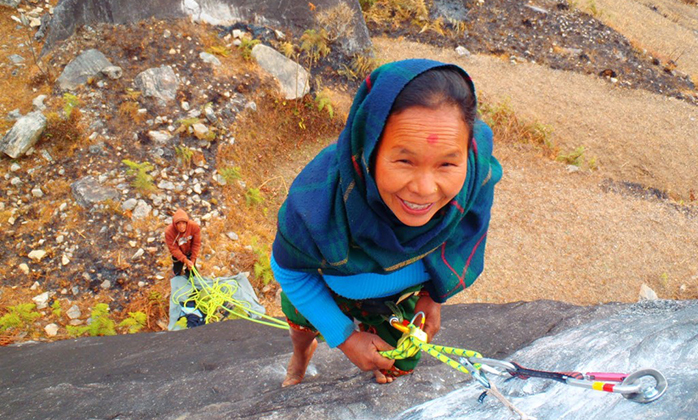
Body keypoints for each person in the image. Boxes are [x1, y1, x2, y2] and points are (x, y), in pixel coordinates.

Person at [271, 59, 502, 386]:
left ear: (466, 152)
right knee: (302, 327)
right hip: (325, 285)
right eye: (405, 160)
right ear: (368, 151)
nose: (424, 189)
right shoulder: (320, 204)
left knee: (397, 361)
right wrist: (346, 339)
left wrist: (433, 298)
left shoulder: (474, 182)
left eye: (447, 164)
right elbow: (289, 270)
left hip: (397, 298)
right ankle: (299, 360)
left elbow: (459, 242)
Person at [164, 208, 201, 277]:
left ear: (187, 223)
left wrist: (192, 260)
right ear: (175, 224)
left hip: (190, 251)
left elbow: (196, 244)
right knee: (177, 267)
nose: (181, 227)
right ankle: (177, 273)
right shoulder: (169, 232)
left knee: (192, 270)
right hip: (178, 253)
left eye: (183, 223)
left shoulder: (194, 227)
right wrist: (184, 260)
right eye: (179, 224)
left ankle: (189, 274)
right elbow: (174, 249)